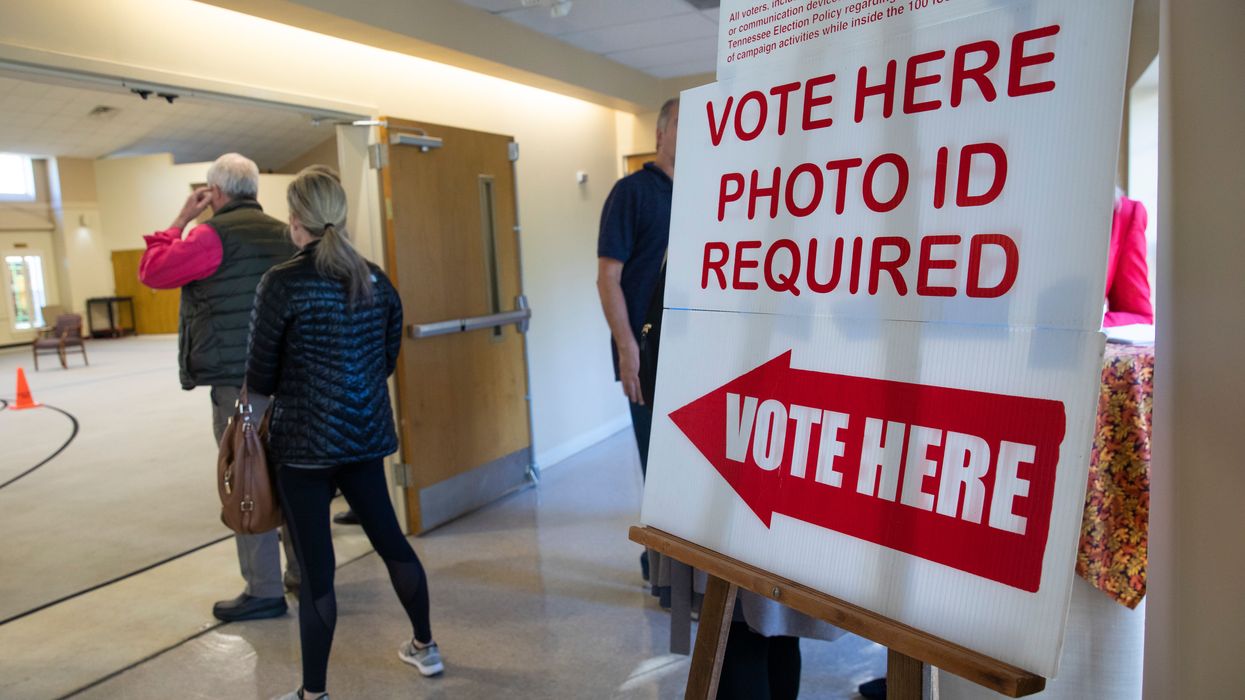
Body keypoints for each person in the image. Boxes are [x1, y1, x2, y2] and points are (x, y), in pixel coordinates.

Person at [246, 167, 441, 700]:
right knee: (390, 542)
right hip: (364, 440)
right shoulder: (374, 278)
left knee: (318, 572)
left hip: (303, 448)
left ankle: (314, 693)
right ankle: (426, 646)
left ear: (295, 220)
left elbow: (260, 376)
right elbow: (384, 358)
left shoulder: (281, 282)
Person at [139, 152, 299, 621]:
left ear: (216, 192)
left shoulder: (211, 235)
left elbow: (153, 271)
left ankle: (265, 590)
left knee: (247, 479)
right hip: (290, 377)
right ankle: (305, 577)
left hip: (239, 383)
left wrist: (183, 217)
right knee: (292, 478)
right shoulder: (283, 232)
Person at [596, 96, 679, 480]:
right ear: (660, 133)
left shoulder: (710, 193)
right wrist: (628, 349)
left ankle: (675, 543)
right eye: (683, 123)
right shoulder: (632, 192)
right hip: (648, 350)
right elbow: (608, 278)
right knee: (660, 468)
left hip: (694, 350)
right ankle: (657, 543)